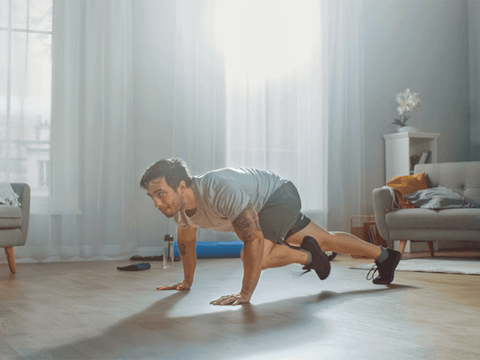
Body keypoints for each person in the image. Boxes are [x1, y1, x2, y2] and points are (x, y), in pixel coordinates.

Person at [140, 158, 401, 306]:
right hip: (264, 203)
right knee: (326, 239)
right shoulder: (181, 208)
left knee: (254, 256)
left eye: (160, 194)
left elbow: (252, 240)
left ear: (182, 186)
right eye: (152, 196)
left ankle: (310, 256)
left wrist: (245, 294)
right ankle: (384, 255)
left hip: (277, 197)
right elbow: (187, 242)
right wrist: (187, 282)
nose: (157, 203)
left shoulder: (218, 190)